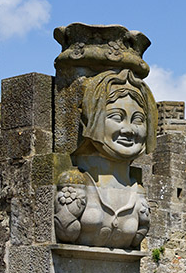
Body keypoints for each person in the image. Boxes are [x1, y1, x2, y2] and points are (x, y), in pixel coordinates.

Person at [54, 69, 156, 249]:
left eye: (138, 120)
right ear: (94, 118)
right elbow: (65, 231)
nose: (129, 130)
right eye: (117, 117)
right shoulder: (75, 182)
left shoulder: (137, 192)